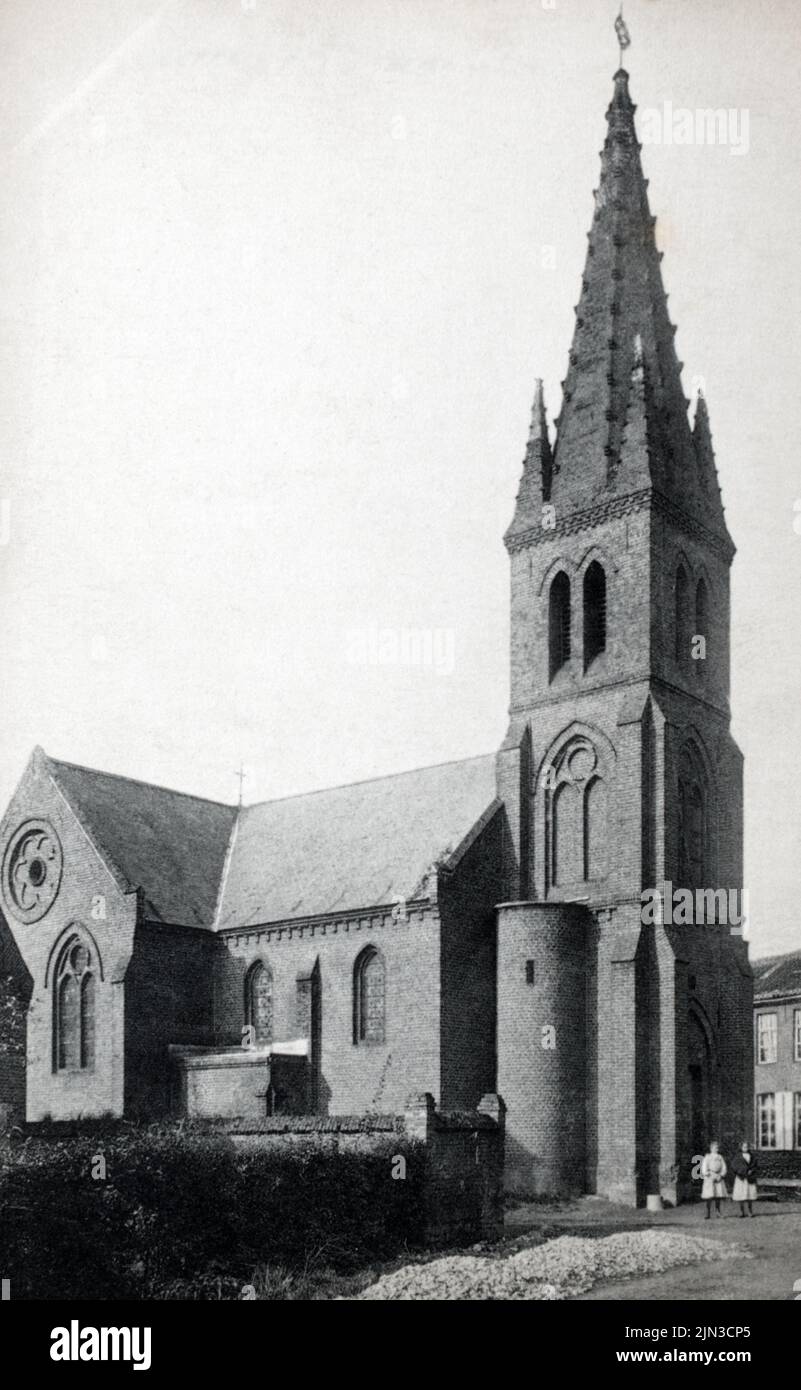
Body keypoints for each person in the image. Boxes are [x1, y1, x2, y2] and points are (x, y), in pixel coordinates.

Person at [730, 1141, 758, 1217]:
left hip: (749, 1177)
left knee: (750, 1195)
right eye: (744, 1147)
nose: (746, 1148)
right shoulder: (738, 1156)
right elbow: (734, 1166)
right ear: (741, 1147)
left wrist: (751, 1170)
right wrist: (742, 1171)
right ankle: (741, 1211)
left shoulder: (752, 1156)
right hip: (741, 1178)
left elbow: (755, 1165)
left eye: (747, 1147)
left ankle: (750, 1211)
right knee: (741, 1195)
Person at [700, 1140, 727, 1218]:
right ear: (711, 1148)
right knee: (709, 1196)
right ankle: (707, 1213)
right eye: (715, 1148)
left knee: (718, 1195)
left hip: (718, 1176)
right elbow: (704, 1167)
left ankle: (718, 1212)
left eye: (717, 1148)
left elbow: (724, 1167)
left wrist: (721, 1175)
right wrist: (707, 1174)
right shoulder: (708, 1157)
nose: (716, 1149)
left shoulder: (720, 1157)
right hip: (710, 1177)